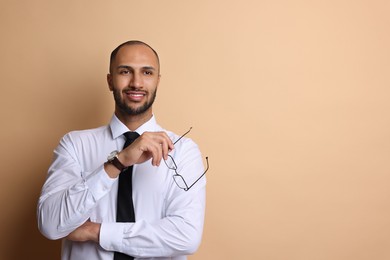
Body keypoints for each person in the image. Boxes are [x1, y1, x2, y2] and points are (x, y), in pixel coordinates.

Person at [37, 40, 207, 260]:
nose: (136, 83)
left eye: (147, 72)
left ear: (157, 81)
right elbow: (50, 225)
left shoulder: (183, 150)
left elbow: (186, 237)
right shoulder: (74, 145)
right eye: (125, 71)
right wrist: (119, 162)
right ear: (110, 80)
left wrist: (96, 232)